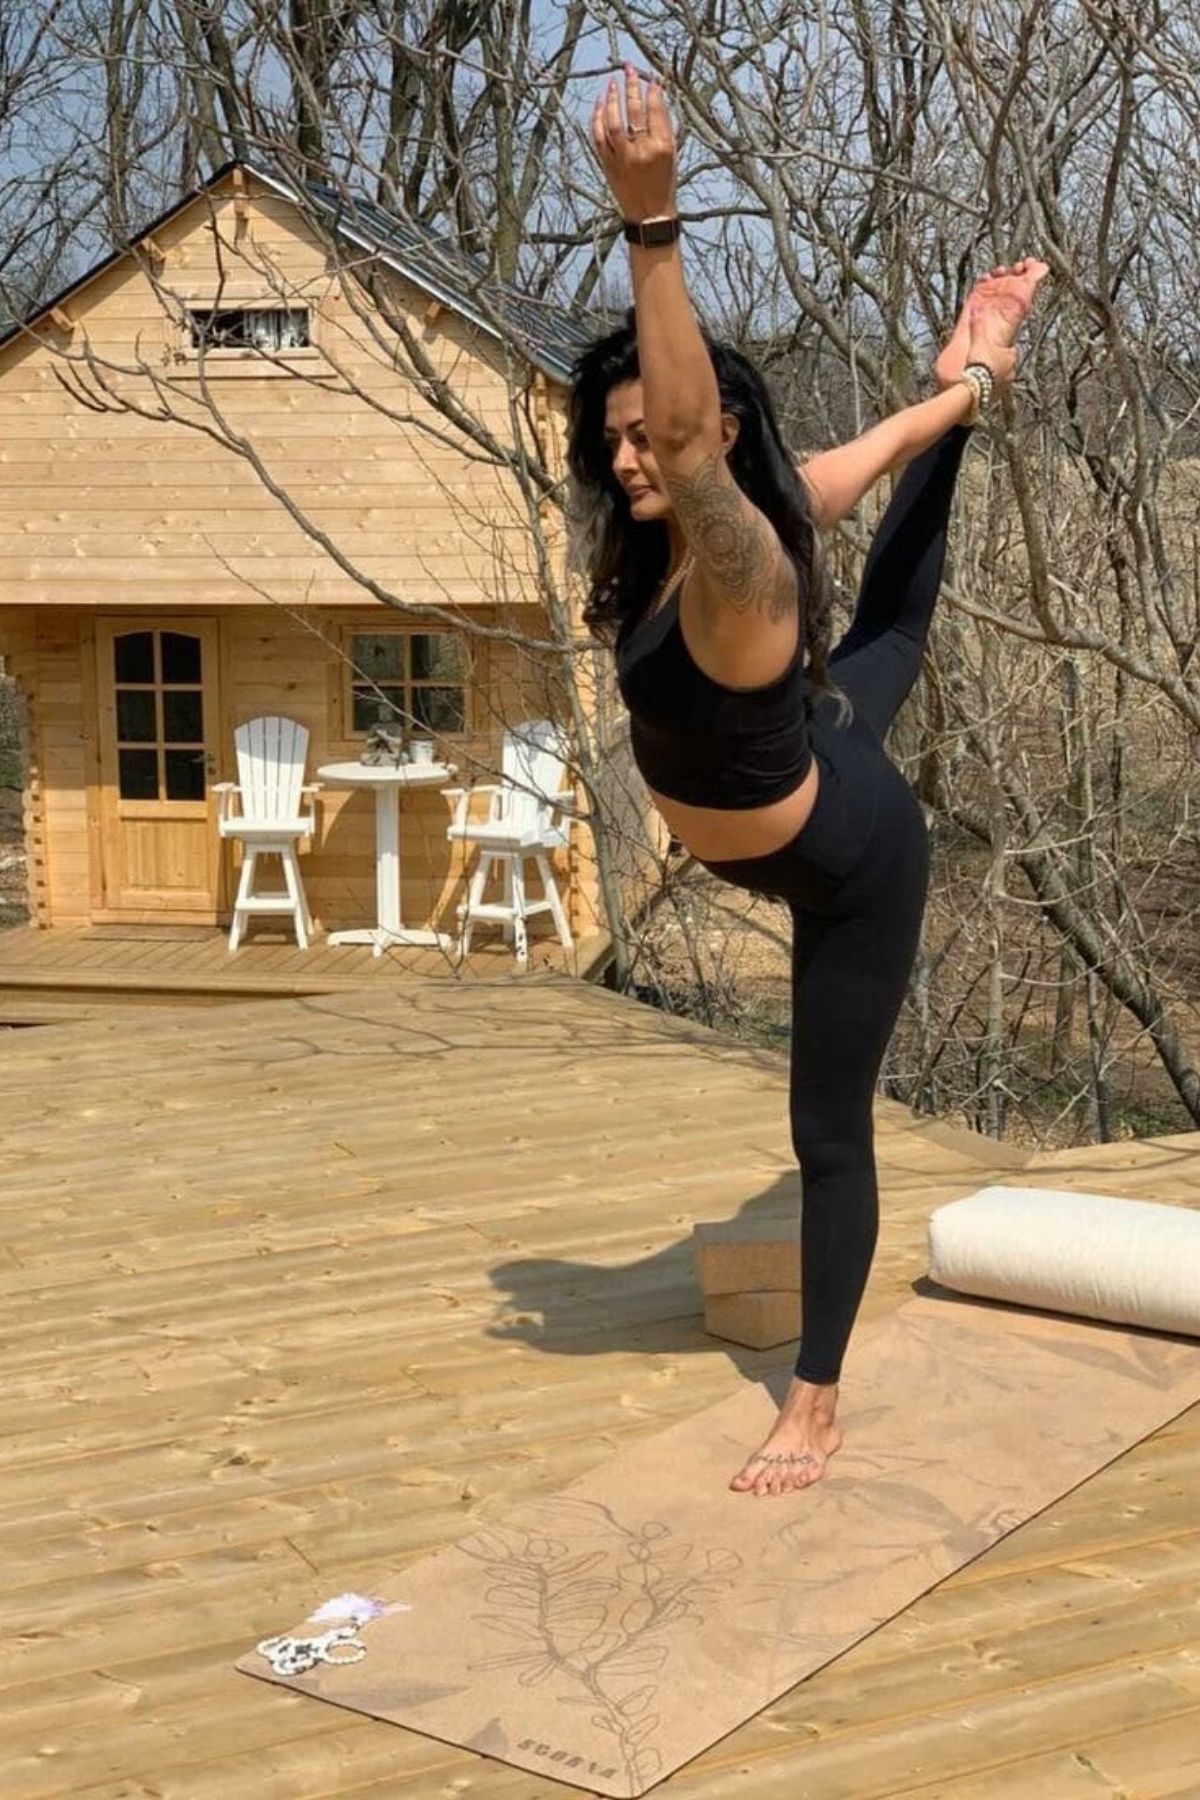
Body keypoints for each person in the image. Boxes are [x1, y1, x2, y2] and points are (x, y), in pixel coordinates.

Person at [571, 66, 1049, 1497]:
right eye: (611, 441)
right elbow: (883, 447)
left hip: (844, 851)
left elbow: (688, 444)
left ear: (707, 432)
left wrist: (654, 229)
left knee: (825, 1132)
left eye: (652, 432)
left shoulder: (741, 561)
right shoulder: (760, 506)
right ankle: (981, 395)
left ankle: (818, 1404)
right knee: (892, 629)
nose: (631, 454)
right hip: (805, 751)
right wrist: (971, 378)